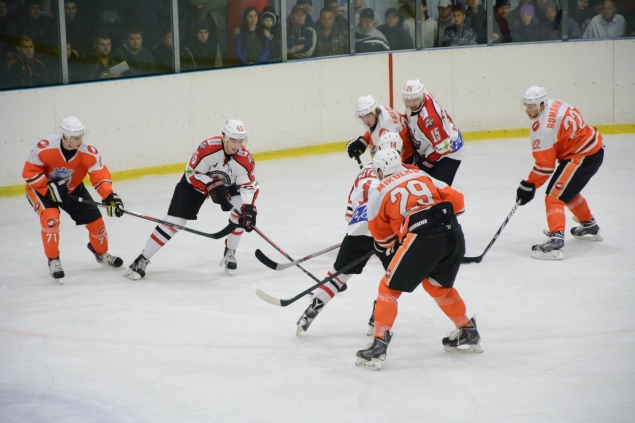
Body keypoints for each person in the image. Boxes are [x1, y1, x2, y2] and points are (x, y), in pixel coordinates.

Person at [355, 148, 482, 370]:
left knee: (388, 288)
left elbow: (382, 238)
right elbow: (458, 203)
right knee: (437, 286)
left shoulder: (378, 191)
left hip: (423, 237)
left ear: (380, 170)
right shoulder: (420, 174)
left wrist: (399, 238)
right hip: (453, 233)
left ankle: (378, 346)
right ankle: (467, 330)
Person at [297, 132, 410, 336]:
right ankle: (378, 317)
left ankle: (310, 311)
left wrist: (357, 232)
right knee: (395, 278)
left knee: (338, 274)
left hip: (358, 230)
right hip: (386, 232)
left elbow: (350, 211)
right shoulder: (406, 173)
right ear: (400, 152)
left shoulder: (364, 172)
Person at [124, 119, 259, 279]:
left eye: (240, 141)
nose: (237, 145)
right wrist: (210, 185)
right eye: (233, 140)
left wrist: (249, 209)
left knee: (241, 211)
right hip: (196, 183)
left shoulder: (245, 159)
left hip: (228, 184)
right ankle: (142, 259)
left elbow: (249, 187)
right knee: (175, 221)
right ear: (224, 137)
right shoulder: (207, 148)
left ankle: (230, 251)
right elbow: (191, 173)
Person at [22, 116, 125, 283]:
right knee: (50, 219)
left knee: (97, 223)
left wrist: (109, 196)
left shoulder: (88, 152)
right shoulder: (44, 148)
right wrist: (47, 186)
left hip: (71, 189)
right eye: (76, 138)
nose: (80, 141)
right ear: (64, 136)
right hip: (41, 190)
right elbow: (29, 172)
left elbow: (99, 175)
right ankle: (53, 259)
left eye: (81, 137)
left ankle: (101, 253)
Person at [516, 86, 604, 260]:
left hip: (582, 156)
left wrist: (529, 184)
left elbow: (545, 167)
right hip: (593, 149)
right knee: (566, 190)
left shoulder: (542, 130)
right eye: (526, 105)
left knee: (554, 196)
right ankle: (589, 226)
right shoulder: (555, 102)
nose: (527, 110)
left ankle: (556, 242)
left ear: (541, 105)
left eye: (531, 106)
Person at [402, 79, 464, 186]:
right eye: (408, 100)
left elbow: (443, 147)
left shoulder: (429, 120)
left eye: (414, 100)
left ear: (421, 96)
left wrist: (425, 163)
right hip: (435, 145)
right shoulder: (421, 96)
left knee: (436, 189)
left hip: (448, 153)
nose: (411, 104)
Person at [346, 94, 417, 166]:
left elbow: (393, 158)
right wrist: (365, 140)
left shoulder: (387, 128)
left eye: (367, 116)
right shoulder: (378, 109)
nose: (365, 121)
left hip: (406, 157)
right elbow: (375, 129)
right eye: (362, 117)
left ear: (374, 112)